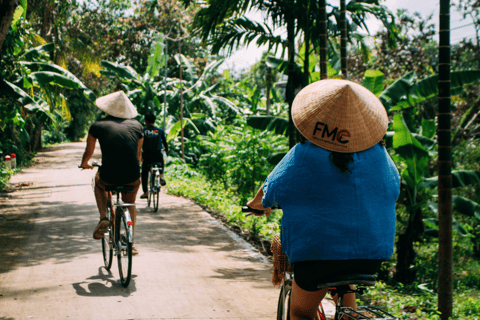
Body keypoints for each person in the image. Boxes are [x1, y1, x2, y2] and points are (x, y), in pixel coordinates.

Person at [247, 79, 400, 320]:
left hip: (318, 254)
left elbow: (273, 188)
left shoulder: (305, 153)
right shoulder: (381, 156)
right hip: (370, 256)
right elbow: (392, 190)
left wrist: (256, 205)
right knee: (348, 305)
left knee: (300, 312)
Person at [80, 91, 144, 256]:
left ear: (107, 109)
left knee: (99, 183)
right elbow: (138, 156)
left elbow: (89, 149)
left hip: (109, 174)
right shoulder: (137, 126)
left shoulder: (97, 125)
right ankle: (131, 242)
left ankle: (103, 217)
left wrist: (84, 163)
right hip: (132, 176)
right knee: (130, 204)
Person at [139, 112, 168, 199]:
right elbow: (165, 144)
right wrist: (166, 150)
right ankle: (161, 175)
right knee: (161, 158)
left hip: (147, 156)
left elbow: (139, 144)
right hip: (157, 156)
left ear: (146, 121)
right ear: (154, 121)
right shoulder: (160, 131)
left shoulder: (143, 131)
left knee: (144, 173)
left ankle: (145, 193)